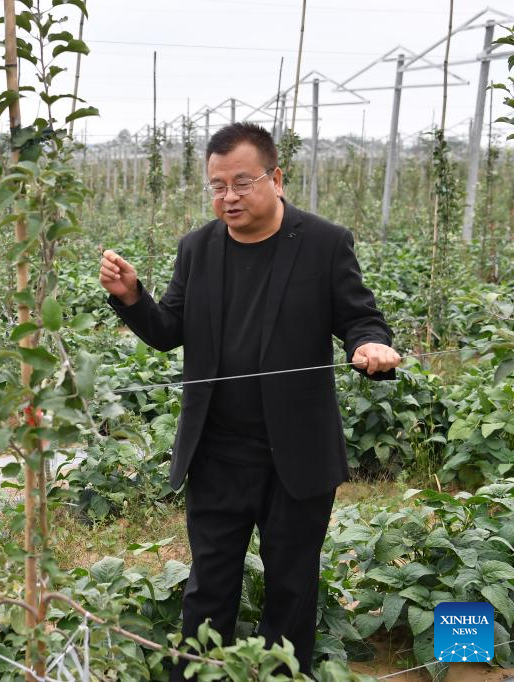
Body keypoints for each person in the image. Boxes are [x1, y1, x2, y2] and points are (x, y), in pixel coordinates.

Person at [99, 123, 400, 678]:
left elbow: (360, 317)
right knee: (209, 582)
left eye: (241, 182)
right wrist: (133, 299)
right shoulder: (197, 248)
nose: (228, 197)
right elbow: (170, 329)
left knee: (292, 583)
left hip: (297, 454)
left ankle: (284, 674)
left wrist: (372, 346)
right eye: (217, 186)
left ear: (276, 178)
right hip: (216, 451)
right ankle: (202, 672)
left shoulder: (325, 242)